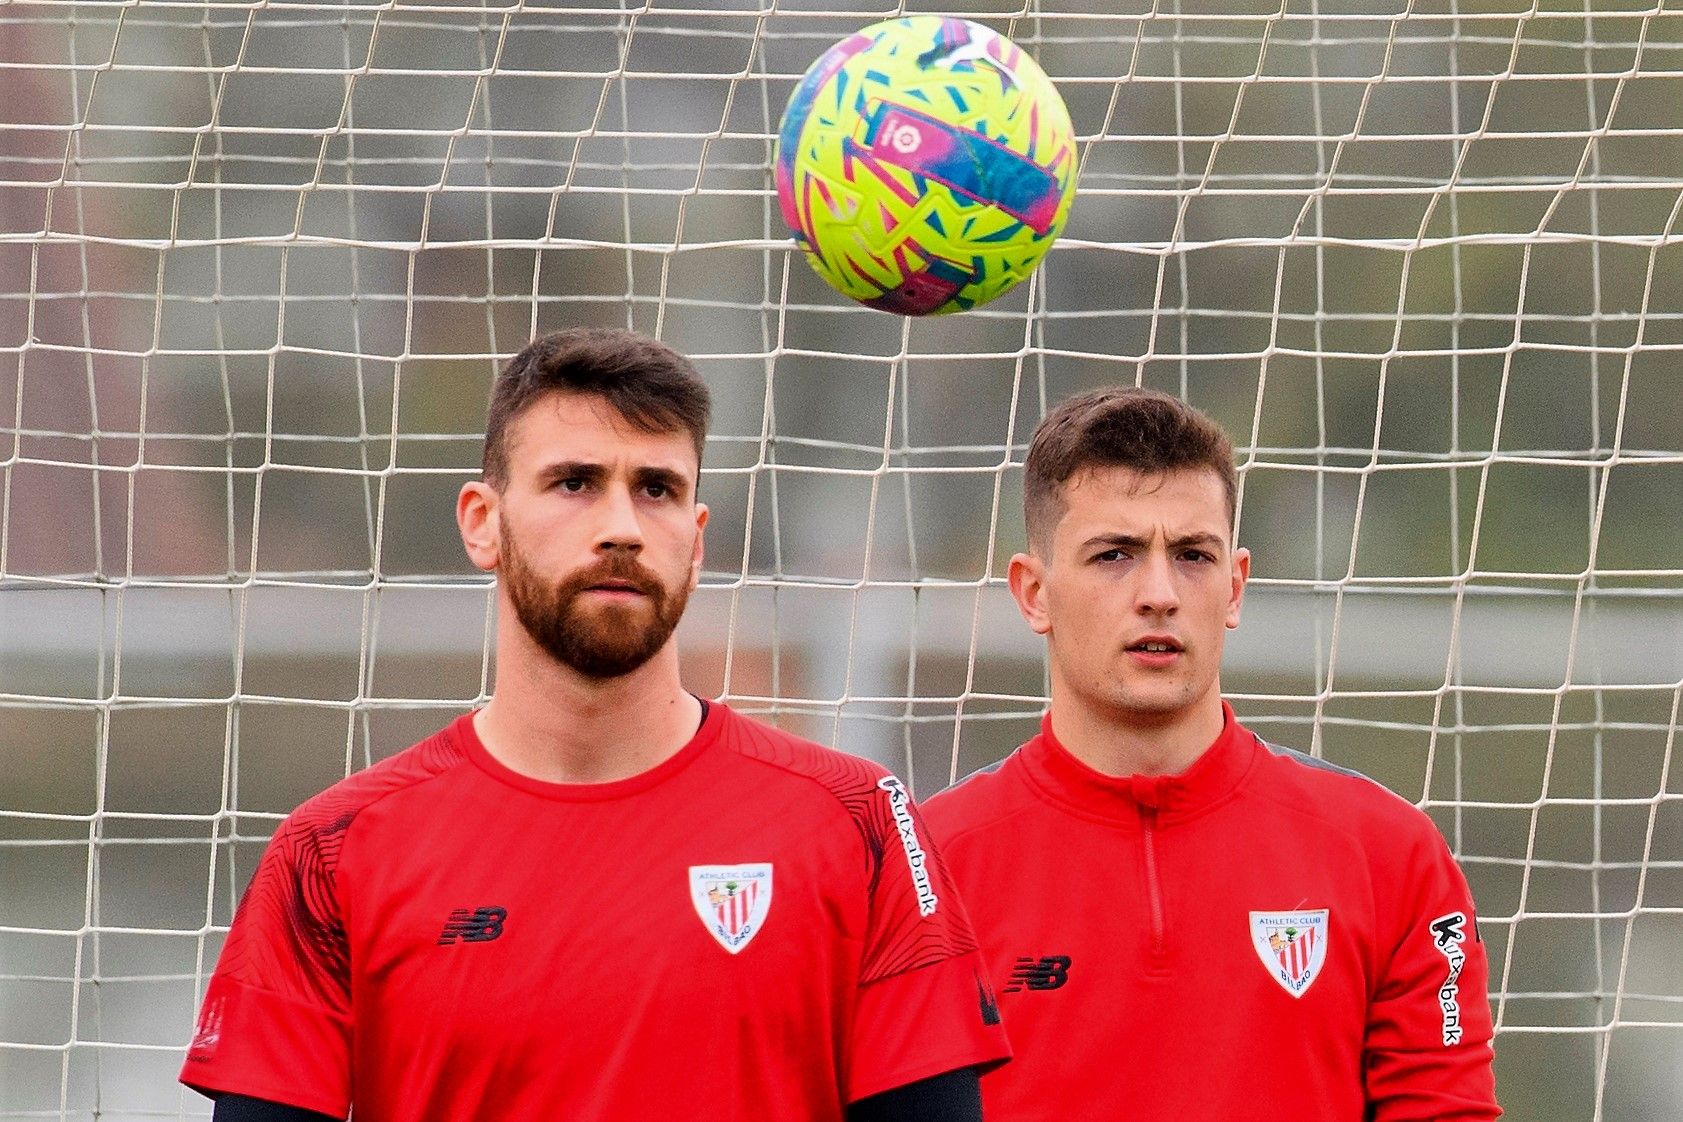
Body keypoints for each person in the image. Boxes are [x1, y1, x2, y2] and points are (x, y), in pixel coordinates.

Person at [180, 328, 1009, 1122]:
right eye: (574, 482)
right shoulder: (333, 849)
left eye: (657, 489)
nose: (621, 526)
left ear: (696, 539)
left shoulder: (860, 819)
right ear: (481, 522)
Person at [922, 387, 1499, 1119]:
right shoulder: (927, 868)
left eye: (1192, 555)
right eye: (1113, 555)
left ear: (1234, 586)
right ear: (1033, 593)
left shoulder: (1388, 853)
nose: (1158, 593)